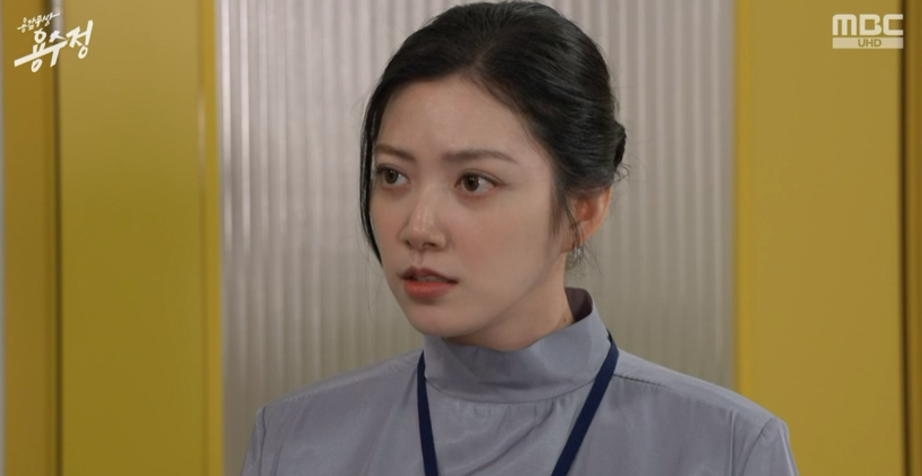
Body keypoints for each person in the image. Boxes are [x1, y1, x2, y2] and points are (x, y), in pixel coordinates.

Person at [240, 2, 798, 475]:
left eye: (473, 182)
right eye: (393, 175)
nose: (418, 227)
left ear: (583, 208)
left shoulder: (726, 449)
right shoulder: (295, 442)